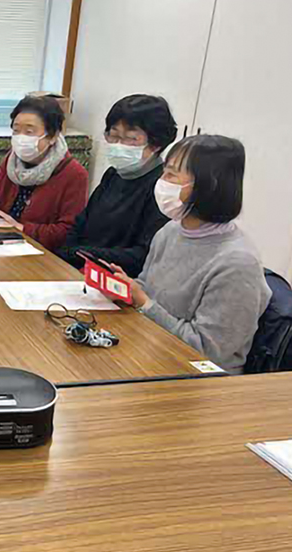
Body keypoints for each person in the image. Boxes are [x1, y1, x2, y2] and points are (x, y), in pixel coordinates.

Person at [110, 134, 271, 374]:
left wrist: (143, 302)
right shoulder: (171, 231)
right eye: (164, 172)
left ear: (209, 185)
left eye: (172, 175)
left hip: (195, 377)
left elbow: (209, 351)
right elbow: (149, 289)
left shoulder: (237, 263)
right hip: (151, 348)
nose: (161, 182)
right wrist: (128, 288)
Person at [57, 95, 176, 277]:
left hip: (120, 280)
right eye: (114, 136)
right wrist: (66, 257)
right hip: (82, 270)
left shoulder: (161, 188)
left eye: (131, 138)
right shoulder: (113, 174)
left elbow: (143, 255)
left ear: (156, 143)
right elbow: (81, 223)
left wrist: (81, 254)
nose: (119, 145)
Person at [0, 95, 88, 251]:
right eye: (16, 131)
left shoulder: (74, 174)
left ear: (53, 136)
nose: (21, 138)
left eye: (29, 131)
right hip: (2, 242)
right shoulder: (11, 161)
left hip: (41, 253)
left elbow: (67, 232)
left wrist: (21, 228)